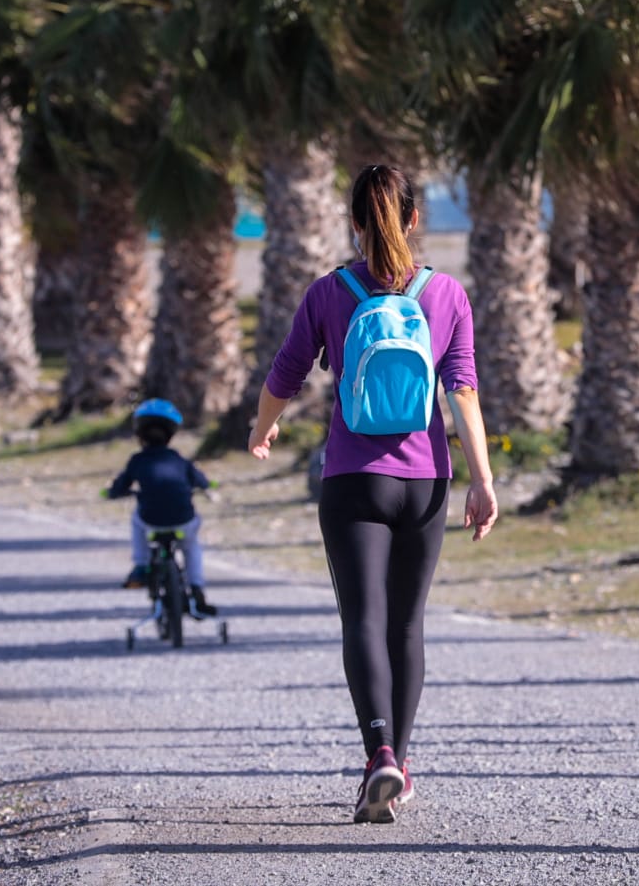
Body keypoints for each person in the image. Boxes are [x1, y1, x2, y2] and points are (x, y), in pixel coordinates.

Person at [249, 164, 499, 823]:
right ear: (414, 219)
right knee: (406, 622)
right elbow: (462, 388)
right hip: (425, 481)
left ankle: (378, 751)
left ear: (353, 221)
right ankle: (401, 763)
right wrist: (483, 478)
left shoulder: (330, 291)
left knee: (361, 617)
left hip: (353, 478)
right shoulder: (444, 293)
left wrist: (261, 429)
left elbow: (287, 370)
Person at [104, 399, 217, 617]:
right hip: (184, 519)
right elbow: (201, 481)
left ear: (139, 434)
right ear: (171, 433)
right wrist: (207, 486)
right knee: (191, 547)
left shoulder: (137, 460)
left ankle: (140, 566)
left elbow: (120, 486)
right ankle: (196, 587)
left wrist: (112, 493)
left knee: (137, 521)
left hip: (151, 519)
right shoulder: (179, 459)